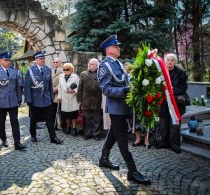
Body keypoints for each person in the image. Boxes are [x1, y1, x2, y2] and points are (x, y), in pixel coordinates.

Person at [97, 34, 151, 185]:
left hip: (124, 106)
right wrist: (124, 91)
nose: (119, 48)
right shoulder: (104, 66)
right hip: (116, 108)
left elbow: (126, 82)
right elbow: (105, 89)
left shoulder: (119, 64)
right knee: (122, 139)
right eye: (116, 46)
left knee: (113, 134)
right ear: (108, 49)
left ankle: (104, 159)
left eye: (118, 46)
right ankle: (132, 171)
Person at [0, 52, 26, 151]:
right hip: (1, 103)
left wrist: (19, 98)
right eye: (6, 60)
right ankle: (3, 139)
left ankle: (17, 143)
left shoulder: (13, 71)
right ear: (1, 61)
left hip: (13, 101)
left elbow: (18, 87)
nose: (8, 62)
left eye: (9, 60)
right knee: (1, 122)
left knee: (15, 122)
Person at [24, 50, 63, 144]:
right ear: (36, 60)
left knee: (49, 119)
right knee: (33, 119)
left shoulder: (47, 69)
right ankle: (33, 135)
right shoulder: (30, 71)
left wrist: (51, 96)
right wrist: (28, 100)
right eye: (41, 59)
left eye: (43, 58)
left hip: (46, 99)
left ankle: (53, 137)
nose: (43, 60)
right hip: (35, 99)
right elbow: (27, 87)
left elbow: (49, 85)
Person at [157, 53, 188, 153]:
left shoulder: (181, 73)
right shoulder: (160, 73)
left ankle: (174, 144)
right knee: (163, 122)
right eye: (168, 60)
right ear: (165, 62)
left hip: (175, 102)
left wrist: (170, 91)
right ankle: (163, 142)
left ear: (175, 62)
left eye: (172, 60)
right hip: (163, 102)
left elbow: (183, 88)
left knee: (174, 124)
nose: (170, 62)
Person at [77, 58, 102, 140]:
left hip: (97, 99)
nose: (89, 65)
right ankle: (87, 133)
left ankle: (96, 134)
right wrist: (79, 99)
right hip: (86, 99)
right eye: (89, 63)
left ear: (96, 66)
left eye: (91, 64)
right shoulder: (83, 74)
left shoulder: (100, 74)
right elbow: (80, 87)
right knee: (87, 118)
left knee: (96, 119)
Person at [57, 63, 79, 136]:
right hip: (64, 98)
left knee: (73, 115)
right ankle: (68, 127)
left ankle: (74, 128)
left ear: (71, 70)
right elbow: (59, 88)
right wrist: (59, 96)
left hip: (72, 98)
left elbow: (78, 87)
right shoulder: (61, 77)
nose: (65, 71)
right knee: (66, 115)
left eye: (67, 69)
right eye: (64, 69)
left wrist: (73, 91)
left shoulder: (75, 77)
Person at [51, 57, 66, 132]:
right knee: (53, 110)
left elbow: (62, 82)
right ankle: (54, 125)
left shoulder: (63, 71)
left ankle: (63, 125)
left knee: (61, 110)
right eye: (54, 62)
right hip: (52, 94)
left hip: (58, 93)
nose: (55, 63)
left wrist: (55, 89)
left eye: (57, 62)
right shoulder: (51, 71)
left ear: (60, 63)